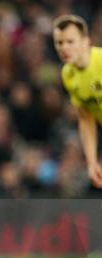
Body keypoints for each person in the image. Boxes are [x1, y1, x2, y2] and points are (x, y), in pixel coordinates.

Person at [53, 15, 102, 190]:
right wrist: (91, 161)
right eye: (59, 42)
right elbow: (86, 118)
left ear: (86, 42)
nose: (64, 47)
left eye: (70, 41)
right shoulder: (68, 74)